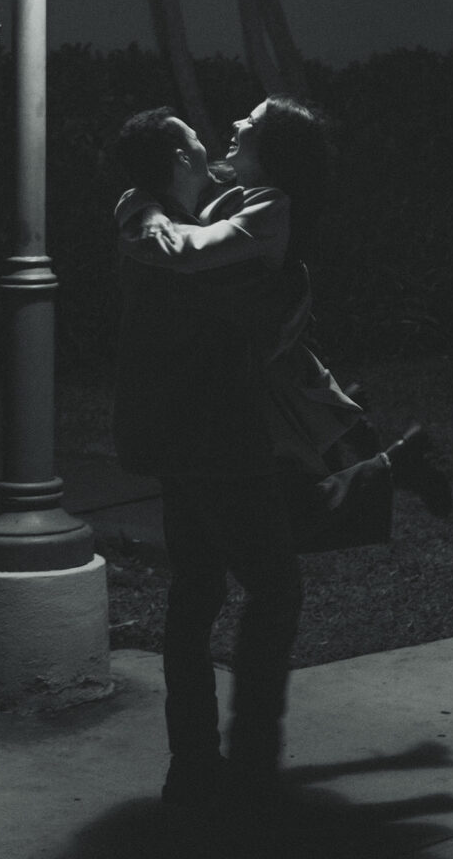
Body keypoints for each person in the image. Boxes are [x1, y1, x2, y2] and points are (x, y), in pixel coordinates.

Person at [115, 95, 452, 551]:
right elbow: (147, 188)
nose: (233, 121)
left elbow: (188, 252)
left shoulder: (271, 206)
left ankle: (393, 463)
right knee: (263, 520)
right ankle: (388, 458)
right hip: (240, 383)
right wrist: (147, 207)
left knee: (278, 523)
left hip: (252, 386)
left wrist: (149, 222)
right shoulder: (233, 189)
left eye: (250, 119)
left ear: (272, 146)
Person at [109, 106, 304, 827]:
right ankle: (244, 761)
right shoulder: (145, 215)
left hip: (189, 437)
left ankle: (194, 763)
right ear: (177, 160)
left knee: (196, 592)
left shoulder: (196, 212)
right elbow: (226, 289)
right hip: (214, 438)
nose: (211, 137)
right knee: (273, 585)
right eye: (194, 139)